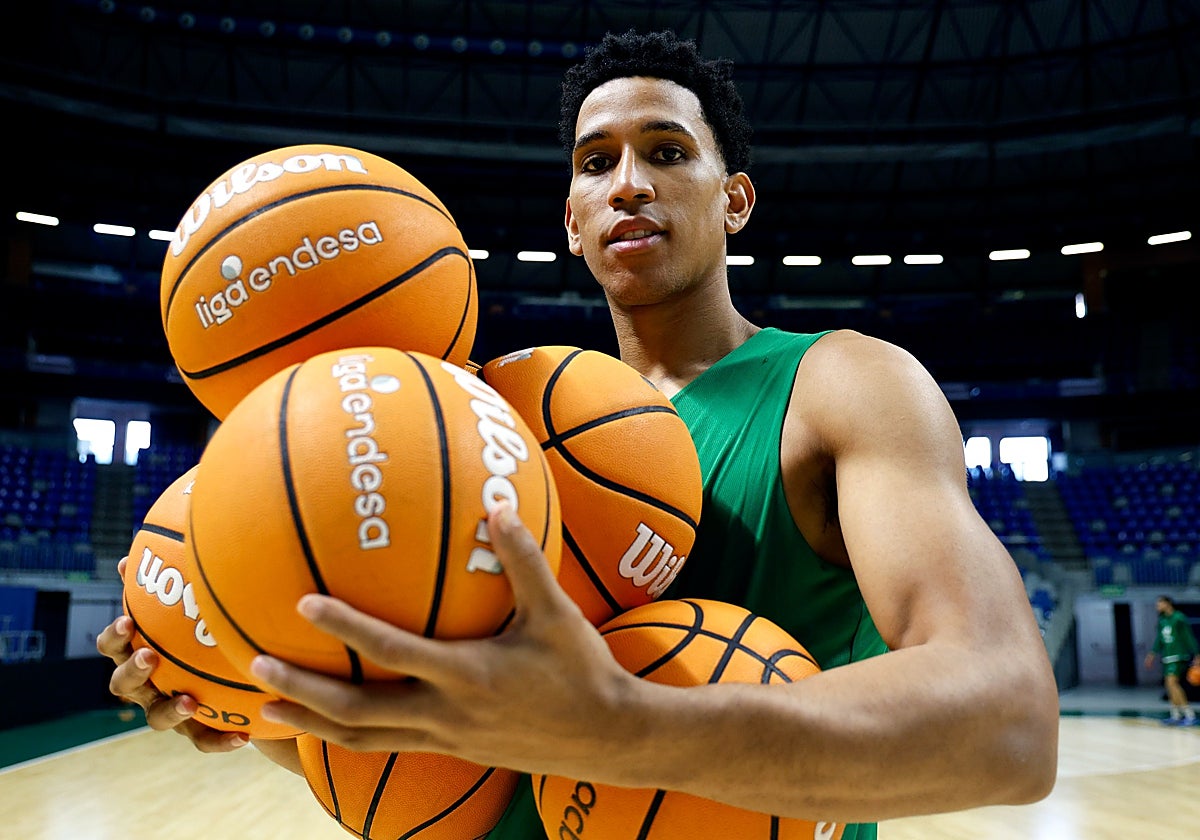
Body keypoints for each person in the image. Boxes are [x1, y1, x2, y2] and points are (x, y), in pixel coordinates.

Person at [99, 29, 1059, 839]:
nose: (628, 184)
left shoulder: (844, 383)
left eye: (668, 152)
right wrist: (236, 692)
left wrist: (625, 729)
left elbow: (1006, 724)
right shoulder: (471, 420)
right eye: (596, 163)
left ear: (736, 199)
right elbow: (428, 755)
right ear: (570, 218)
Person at [1143, 595, 1200, 725]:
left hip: (1179, 655)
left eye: (1159, 603)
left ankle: (1189, 715)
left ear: (1167, 603)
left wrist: (1197, 654)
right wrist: (1152, 654)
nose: (1157, 606)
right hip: (1167, 657)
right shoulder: (1162, 620)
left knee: (1172, 683)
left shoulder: (1179, 618)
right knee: (1169, 685)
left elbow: (1188, 637)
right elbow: (1159, 640)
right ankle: (1175, 715)